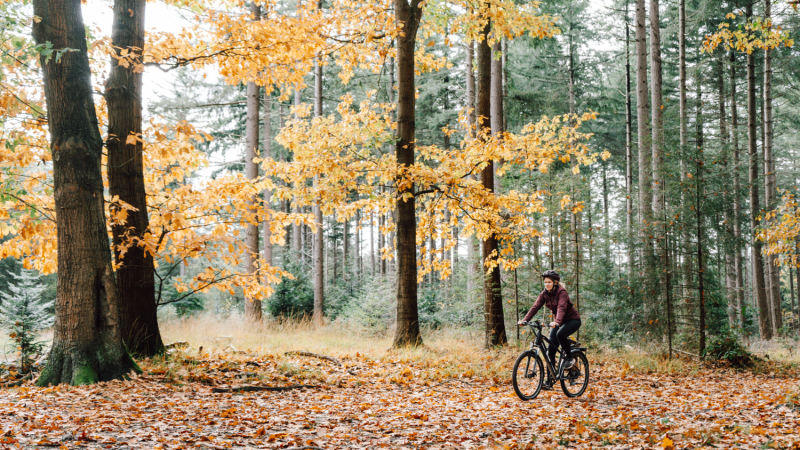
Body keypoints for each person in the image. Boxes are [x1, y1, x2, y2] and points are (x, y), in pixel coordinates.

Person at [517, 270, 581, 389]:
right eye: (545, 282)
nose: (546, 284)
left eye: (549, 282)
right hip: (558, 322)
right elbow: (535, 307)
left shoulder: (562, 292)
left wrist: (557, 322)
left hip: (572, 320)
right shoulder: (544, 294)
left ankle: (569, 357)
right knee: (549, 351)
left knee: (560, 334)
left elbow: (561, 307)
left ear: (555, 282)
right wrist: (525, 320)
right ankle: (549, 381)